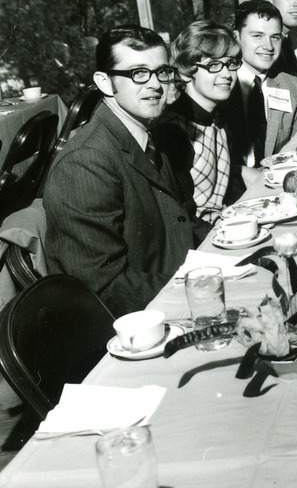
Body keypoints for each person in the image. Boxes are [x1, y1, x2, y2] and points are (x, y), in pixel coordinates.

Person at [43, 25, 211, 316]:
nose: (156, 85)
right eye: (138, 73)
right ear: (105, 83)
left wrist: (232, 252)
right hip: (131, 324)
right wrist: (206, 288)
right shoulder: (85, 163)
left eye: (162, 72)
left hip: (168, 287)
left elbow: (181, 220)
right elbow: (106, 289)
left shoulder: (146, 131)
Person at [152, 21, 243, 224]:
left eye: (231, 63)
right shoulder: (173, 131)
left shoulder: (218, 116)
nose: (227, 74)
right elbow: (179, 218)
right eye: (213, 65)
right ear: (185, 72)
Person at [225, 0, 297, 168]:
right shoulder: (220, 85)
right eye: (257, 36)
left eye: (275, 37)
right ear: (236, 37)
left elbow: (296, 149)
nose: (268, 46)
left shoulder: (291, 86)